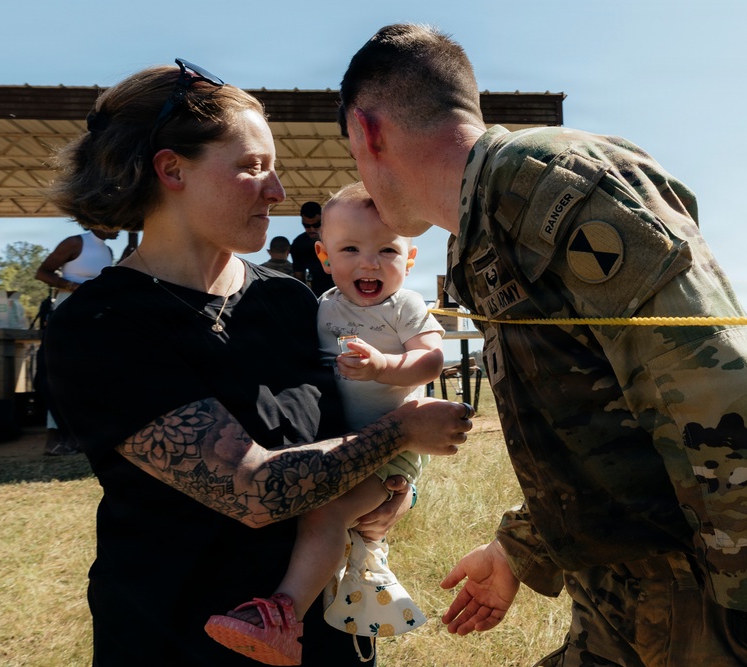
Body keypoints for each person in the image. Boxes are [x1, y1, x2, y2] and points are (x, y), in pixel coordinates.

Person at [338, 24, 747, 667]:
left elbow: (714, 381)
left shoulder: (554, 184)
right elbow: (591, 421)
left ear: (368, 133)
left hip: (721, 594)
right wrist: (519, 549)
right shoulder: (480, 233)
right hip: (632, 590)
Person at [42, 57, 473, 667]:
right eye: (252, 168)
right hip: (183, 638)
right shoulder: (102, 324)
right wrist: (402, 433)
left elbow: (344, 427)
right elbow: (254, 489)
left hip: (324, 637)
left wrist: (396, 488)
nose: (277, 191)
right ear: (172, 170)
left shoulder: (291, 299)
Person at [205, 181, 447, 664]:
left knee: (326, 513)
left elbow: (432, 361)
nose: (370, 263)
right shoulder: (322, 307)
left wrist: (382, 367)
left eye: (387, 250)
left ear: (411, 257)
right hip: (342, 444)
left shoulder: (405, 306)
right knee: (335, 517)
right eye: (351, 249)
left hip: (395, 448)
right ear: (323, 254)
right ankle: (360, 565)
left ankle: (284, 614)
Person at [34, 227, 118, 455]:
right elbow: (42, 273)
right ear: (99, 220)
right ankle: (55, 438)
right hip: (67, 315)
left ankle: (80, 435)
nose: (119, 228)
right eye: (115, 222)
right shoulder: (74, 243)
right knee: (59, 374)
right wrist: (74, 287)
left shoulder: (108, 250)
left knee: (86, 376)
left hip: (92, 318)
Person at [290, 201, 335, 296]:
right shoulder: (299, 244)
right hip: (318, 294)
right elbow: (299, 277)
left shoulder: (337, 237)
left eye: (316, 225)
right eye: (306, 226)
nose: (311, 229)